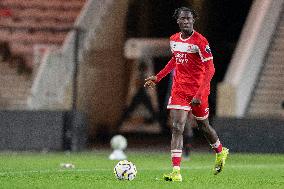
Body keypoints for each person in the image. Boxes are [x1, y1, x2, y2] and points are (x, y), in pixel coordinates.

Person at [144, 6, 229, 182]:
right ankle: (176, 171)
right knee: (177, 126)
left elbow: (210, 69)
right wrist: (158, 77)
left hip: (198, 91)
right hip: (179, 90)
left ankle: (220, 151)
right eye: (183, 19)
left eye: (189, 19)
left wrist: (199, 93)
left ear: (193, 20)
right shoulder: (174, 39)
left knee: (204, 127)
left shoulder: (201, 41)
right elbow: (175, 59)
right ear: (178, 21)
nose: (186, 21)